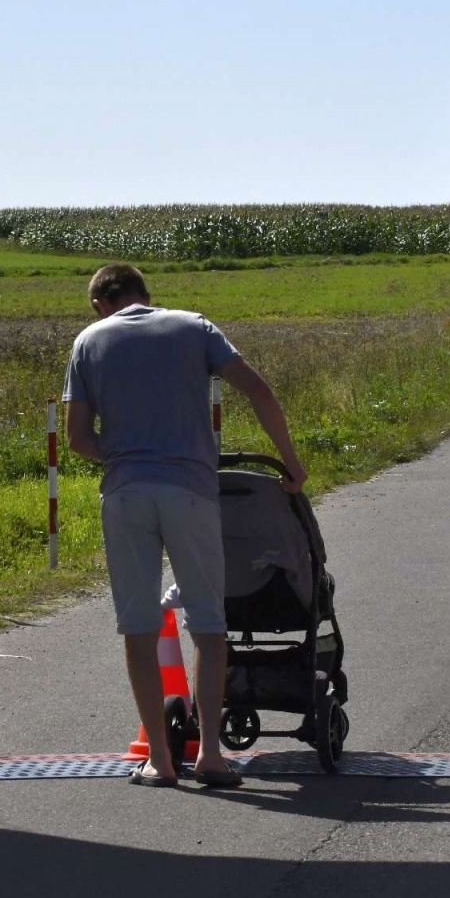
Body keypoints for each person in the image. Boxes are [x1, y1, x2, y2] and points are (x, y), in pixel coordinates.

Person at [64, 263, 306, 788]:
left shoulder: (88, 341)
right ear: (147, 296)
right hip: (192, 491)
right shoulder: (194, 326)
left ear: (100, 305)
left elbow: (79, 438)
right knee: (209, 623)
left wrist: (128, 454)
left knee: (138, 625)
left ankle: (159, 758)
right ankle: (212, 756)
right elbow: (259, 390)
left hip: (126, 492)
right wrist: (290, 461)